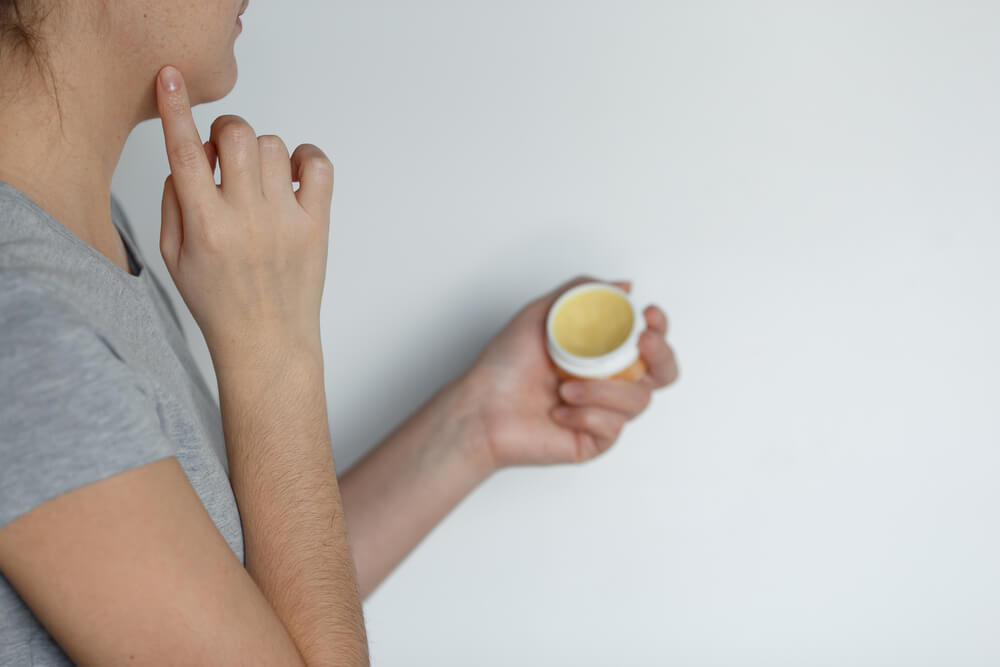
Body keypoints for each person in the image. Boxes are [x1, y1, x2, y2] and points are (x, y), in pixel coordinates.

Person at [0, 1, 679, 664]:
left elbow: (254, 615)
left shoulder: (68, 242)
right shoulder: (25, 333)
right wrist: (271, 349)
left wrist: (477, 424)